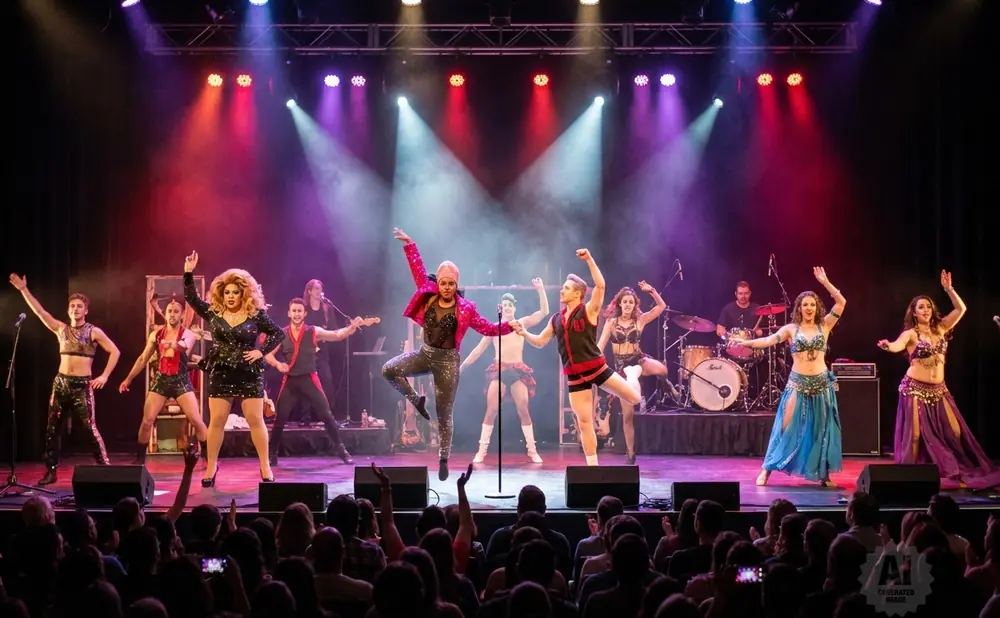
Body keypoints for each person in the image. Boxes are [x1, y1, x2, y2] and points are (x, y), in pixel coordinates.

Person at [382, 228, 516, 481]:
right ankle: (415, 399)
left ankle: (443, 457)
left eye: (450, 284)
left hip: (447, 362)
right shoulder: (429, 294)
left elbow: (487, 328)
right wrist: (410, 245)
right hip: (425, 353)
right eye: (442, 283)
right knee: (389, 369)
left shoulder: (465, 309)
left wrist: (509, 326)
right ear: (438, 283)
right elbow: (418, 271)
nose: (445, 287)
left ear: (456, 285)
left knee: (445, 413)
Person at [510, 249, 642, 466]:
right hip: (575, 375)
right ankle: (593, 469)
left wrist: (589, 259)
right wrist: (524, 333)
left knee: (634, 399)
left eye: (566, 288)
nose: (562, 290)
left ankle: (632, 375)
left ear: (578, 293)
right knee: (584, 422)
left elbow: (600, 286)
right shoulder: (556, 320)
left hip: (596, 368)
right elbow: (541, 341)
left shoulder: (588, 310)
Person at [877, 271, 1000, 489]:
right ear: (914, 313)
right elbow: (897, 345)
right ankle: (909, 476)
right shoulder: (911, 334)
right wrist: (888, 346)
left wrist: (949, 289)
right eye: (921, 307)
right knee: (914, 435)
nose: (926, 310)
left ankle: (949, 469)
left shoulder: (942, 327)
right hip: (914, 388)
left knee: (954, 431)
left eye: (928, 306)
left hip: (939, 389)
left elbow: (961, 309)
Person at [727, 267, 845, 487]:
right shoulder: (792, 329)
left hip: (821, 384)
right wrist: (745, 343)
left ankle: (823, 475)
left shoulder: (825, 325)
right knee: (784, 426)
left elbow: (841, 303)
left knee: (822, 430)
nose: (809, 308)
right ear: (799, 308)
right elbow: (768, 340)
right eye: (805, 304)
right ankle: (767, 469)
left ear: (816, 307)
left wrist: (826, 282)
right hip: (797, 383)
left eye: (812, 304)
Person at [182, 251, 285, 486]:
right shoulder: (214, 313)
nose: (230, 296)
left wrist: (261, 351)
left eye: (235, 292)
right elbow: (192, 300)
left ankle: (265, 466)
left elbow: (278, 333)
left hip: (248, 373)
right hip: (221, 371)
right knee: (217, 421)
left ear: (243, 294)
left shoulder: (255, 314)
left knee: (255, 420)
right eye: (226, 292)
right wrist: (188, 273)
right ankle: (211, 466)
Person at [9, 274, 119, 485]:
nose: (75, 309)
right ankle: (51, 471)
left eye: (79, 306)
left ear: (86, 310)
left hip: (82, 386)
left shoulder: (93, 331)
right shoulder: (61, 329)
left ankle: (105, 467)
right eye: (72, 306)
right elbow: (40, 311)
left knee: (89, 428)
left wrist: (104, 376)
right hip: (61, 383)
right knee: (52, 428)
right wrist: (24, 290)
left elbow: (115, 351)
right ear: (68, 310)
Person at [265, 298, 377, 466]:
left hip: (310, 379)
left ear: (305, 313)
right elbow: (267, 355)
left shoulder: (313, 331)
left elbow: (337, 335)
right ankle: (272, 454)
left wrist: (352, 327)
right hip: (291, 381)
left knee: (327, 416)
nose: (296, 314)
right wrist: (277, 364)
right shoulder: (281, 334)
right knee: (280, 418)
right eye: (294, 311)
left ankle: (341, 450)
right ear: (289, 313)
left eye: (299, 311)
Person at [460, 279, 550, 464]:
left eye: (510, 305)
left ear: (514, 308)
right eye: (505, 305)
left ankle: (532, 450)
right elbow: (478, 350)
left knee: (523, 409)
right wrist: (462, 367)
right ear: (500, 308)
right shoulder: (493, 328)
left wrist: (540, 290)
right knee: (491, 409)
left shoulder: (521, 324)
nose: (507, 308)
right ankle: (481, 450)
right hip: (499, 370)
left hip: (517, 370)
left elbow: (543, 313)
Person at [118, 299, 209, 464]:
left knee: (196, 419)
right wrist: (128, 379)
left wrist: (173, 344)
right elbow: (143, 358)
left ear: (181, 315)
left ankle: (209, 457)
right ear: (165, 314)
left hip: (180, 379)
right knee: (147, 421)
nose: (172, 314)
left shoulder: (187, 333)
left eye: (175, 311)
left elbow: (184, 346)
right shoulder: (156, 334)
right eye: (169, 311)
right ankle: (140, 459)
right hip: (161, 379)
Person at [596, 281, 672, 464]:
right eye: (625, 302)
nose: (628, 305)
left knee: (663, 369)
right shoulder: (611, 323)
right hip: (621, 369)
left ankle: (665, 384)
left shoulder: (640, 320)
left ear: (634, 304)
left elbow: (661, 307)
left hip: (638, 359)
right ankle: (631, 454)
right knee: (628, 416)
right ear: (619, 304)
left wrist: (651, 291)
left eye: (631, 302)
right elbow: (601, 345)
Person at [302, 279, 341, 422]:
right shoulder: (304, 307)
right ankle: (305, 417)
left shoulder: (327, 308)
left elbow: (333, 327)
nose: (319, 292)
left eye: (320, 288)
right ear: (309, 291)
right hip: (306, 352)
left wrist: (328, 334)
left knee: (326, 381)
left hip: (322, 352)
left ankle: (327, 416)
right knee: (306, 383)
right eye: (316, 289)